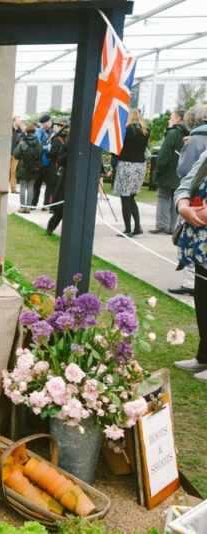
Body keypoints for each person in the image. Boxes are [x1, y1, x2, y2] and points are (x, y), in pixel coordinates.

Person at [172, 149, 207, 381]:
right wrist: (183, 205)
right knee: (202, 295)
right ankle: (203, 356)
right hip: (201, 240)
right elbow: (186, 182)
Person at [170, 104, 207, 297]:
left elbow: (183, 171)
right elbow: (187, 181)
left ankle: (188, 282)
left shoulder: (193, 139)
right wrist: (183, 205)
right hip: (201, 247)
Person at [151, 110, 188, 235]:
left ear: (178, 118)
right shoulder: (187, 133)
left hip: (168, 171)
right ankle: (172, 226)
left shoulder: (173, 133)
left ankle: (162, 225)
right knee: (174, 199)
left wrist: (158, 170)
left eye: (171, 117)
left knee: (163, 197)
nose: (169, 120)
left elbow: (164, 154)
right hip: (180, 171)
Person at [113, 109, 149, 237]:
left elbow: (119, 147)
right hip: (140, 166)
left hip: (127, 165)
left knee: (125, 197)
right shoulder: (145, 131)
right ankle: (137, 226)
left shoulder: (127, 130)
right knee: (131, 197)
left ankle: (128, 229)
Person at [13, 124, 43, 215]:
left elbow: (16, 154)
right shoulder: (38, 142)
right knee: (31, 187)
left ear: (26, 132)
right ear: (34, 132)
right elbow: (40, 153)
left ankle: (22, 207)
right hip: (34, 167)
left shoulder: (23, 142)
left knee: (22, 187)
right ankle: (28, 208)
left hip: (23, 167)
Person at [46, 121, 69, 235]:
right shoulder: (66, 142)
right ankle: (51, 228)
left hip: (76, 180)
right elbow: (61, 159)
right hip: (66, 178)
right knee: (60, 208)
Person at [32, 114, 54, 209]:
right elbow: (37, 146)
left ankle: (46, 204)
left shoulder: (46, 132)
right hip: (40, 162)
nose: (51, 123)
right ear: (45, 122)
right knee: (37, 185)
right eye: (50, 121)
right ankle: (33, 204)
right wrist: (47, 148)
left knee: (49, 185)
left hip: (47, 162)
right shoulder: (38, 132)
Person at [9, 116, 24, 194]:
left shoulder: (20, 131)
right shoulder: (9, 128)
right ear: (14, 120)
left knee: (13, 172)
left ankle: (13, 188)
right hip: (7, 154)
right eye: (19, 120)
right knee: (5, 171)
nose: (20, 121)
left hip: (15, 154)